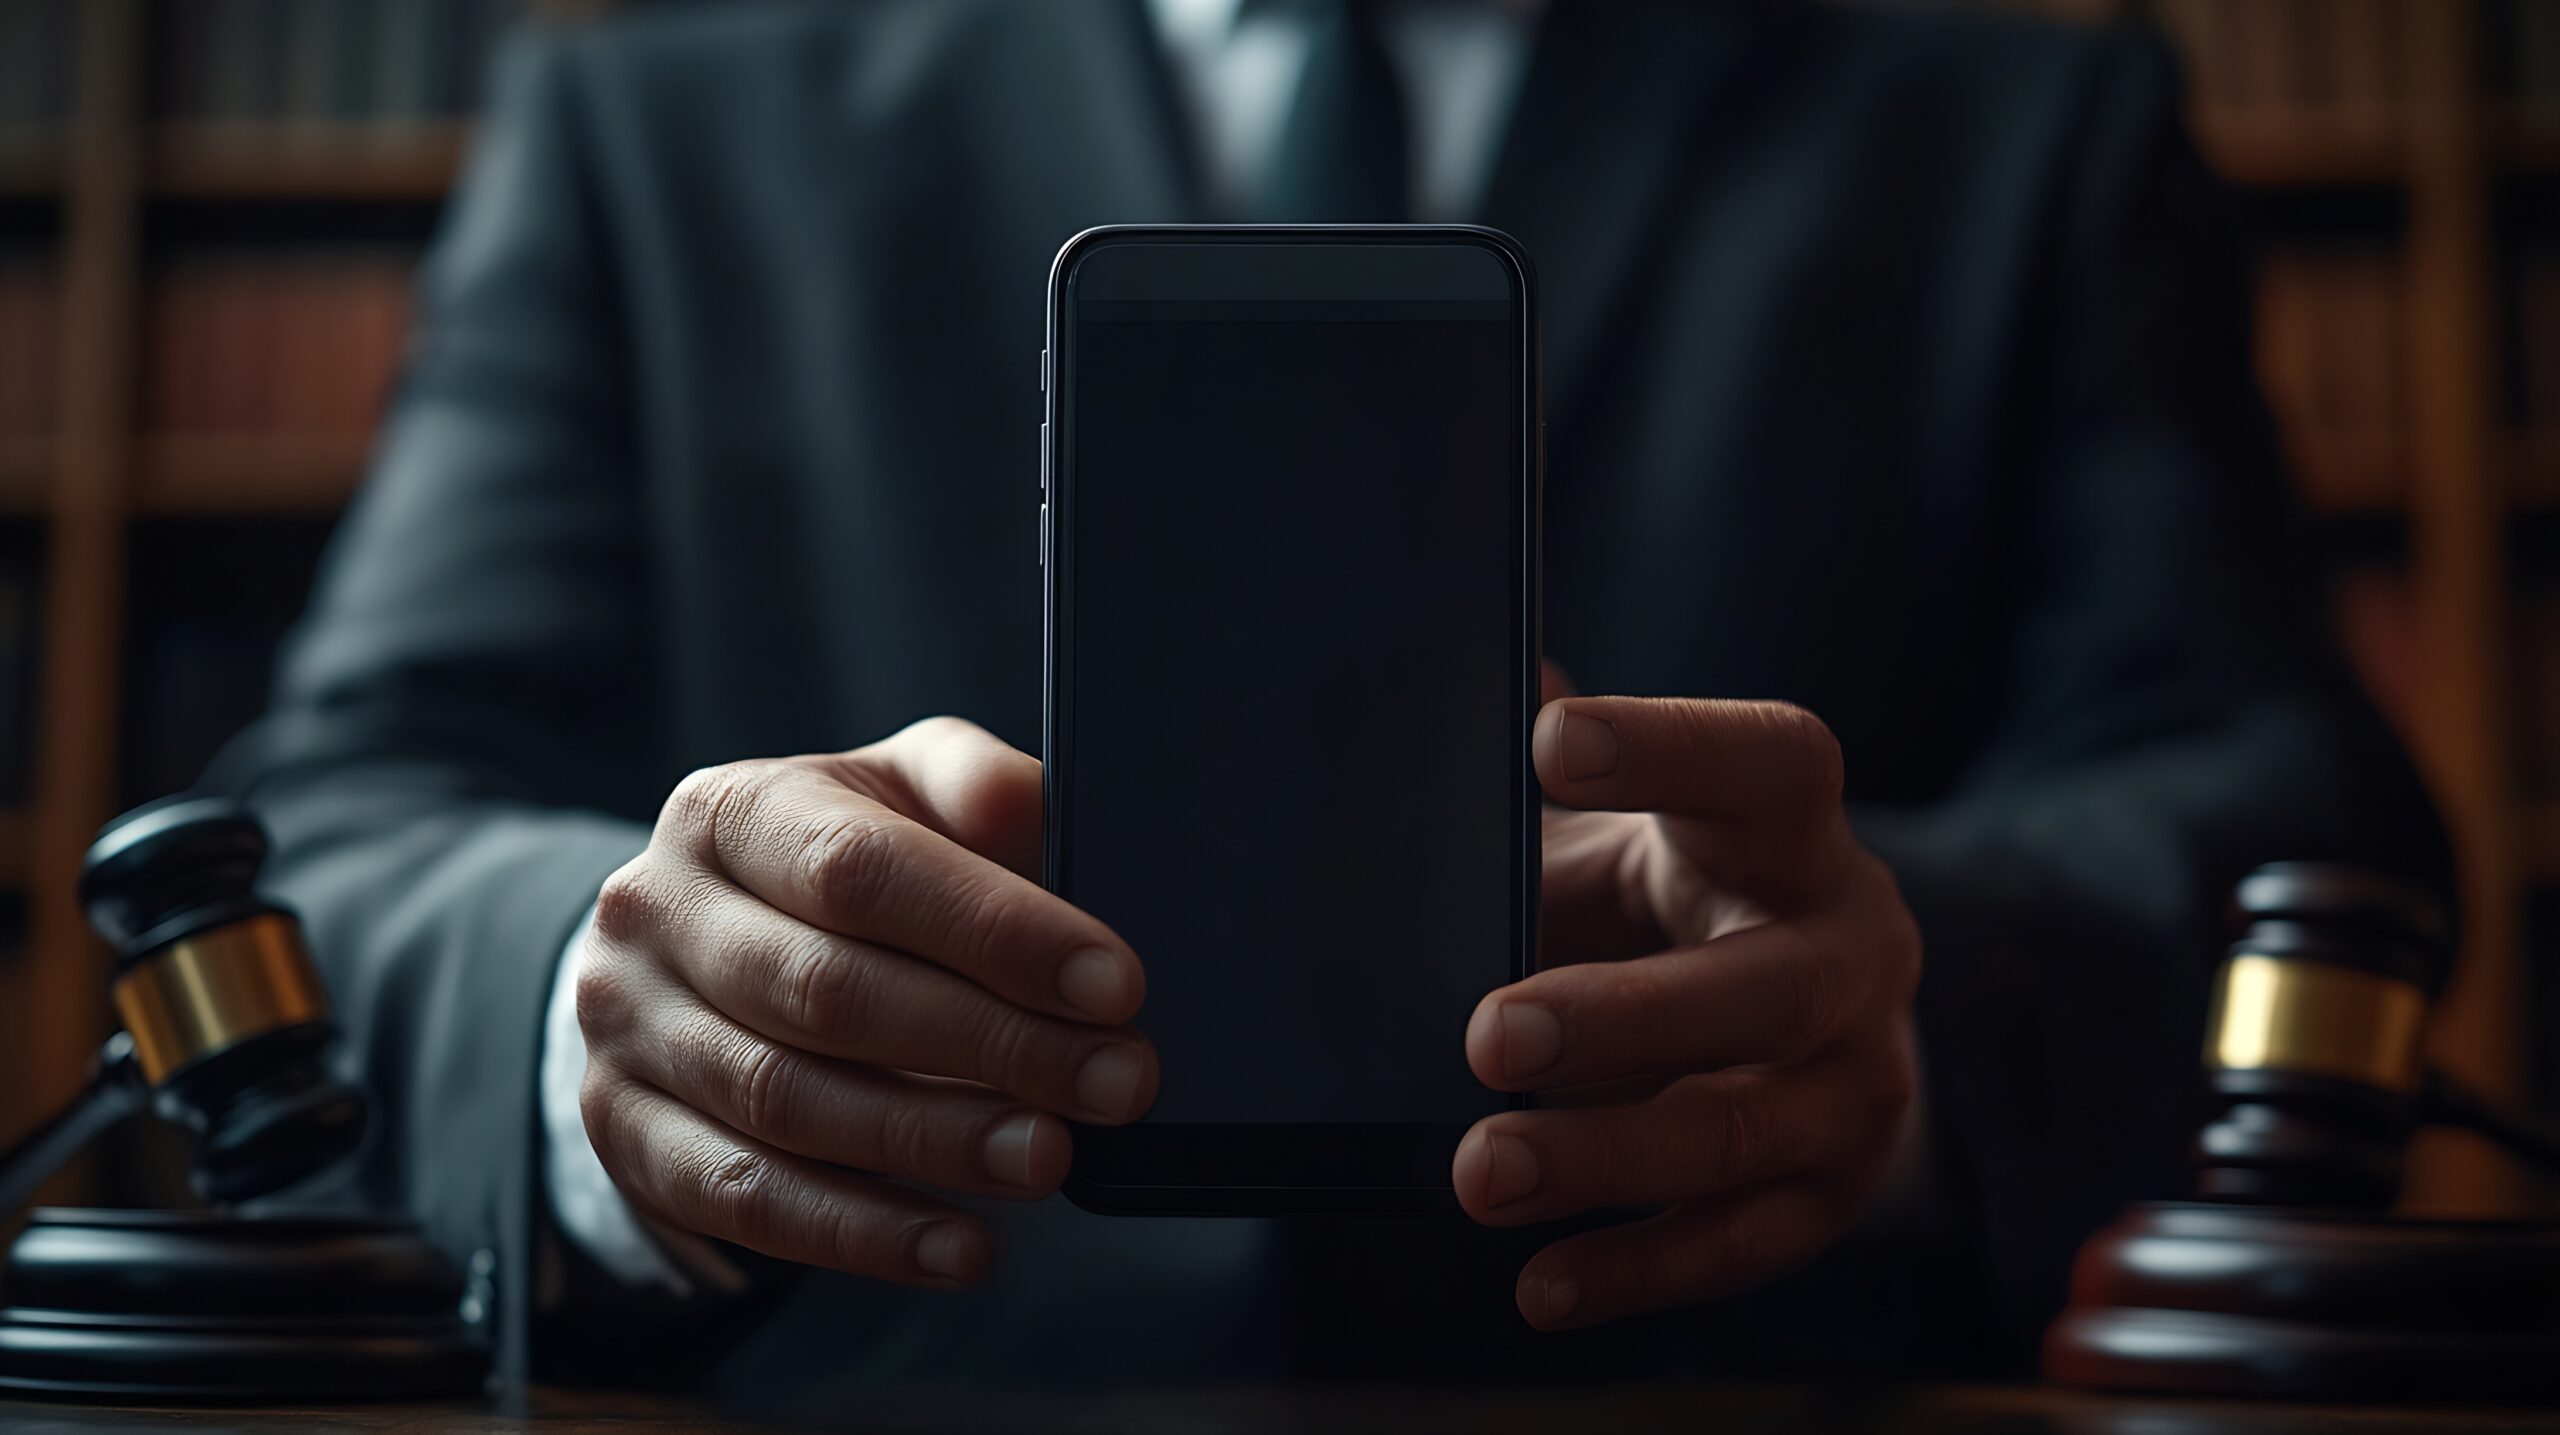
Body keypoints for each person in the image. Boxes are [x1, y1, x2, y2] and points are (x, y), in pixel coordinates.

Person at [224, 0, 2444, 1405]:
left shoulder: (2020, 122)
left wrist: (1894, 1010)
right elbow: (334, 832)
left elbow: (2287, 828)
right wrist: (606, 1018)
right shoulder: (644, 132)